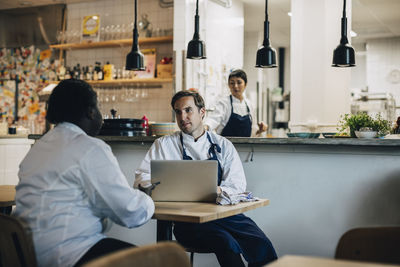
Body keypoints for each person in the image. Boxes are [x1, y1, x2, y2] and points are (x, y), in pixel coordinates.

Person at [14, 79, 154, 267]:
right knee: (161, 259)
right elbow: (129, 212)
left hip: (26, 254)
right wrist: (147, 198)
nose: (100, 115)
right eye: (98, 108)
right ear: (90, 111)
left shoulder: (38, 148)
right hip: (69, 254)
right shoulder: (90, 148)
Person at [135, 90, 277, 267]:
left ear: (202, 112)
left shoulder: (223, 145)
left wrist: (217, 190)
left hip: (227, 216)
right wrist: (155, 186)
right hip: (188, 222)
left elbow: (237, 184)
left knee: (262, 244)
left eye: (188, 110)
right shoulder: (164, 145)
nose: (182, 116)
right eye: (178, 112)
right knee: (226, 244)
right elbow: (142, 177)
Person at [204, 69, 267, 137]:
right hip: (226, 146)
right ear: (228, 85)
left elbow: (253, 132)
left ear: (245, 84)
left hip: (246, 147)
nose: (235, 86)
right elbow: (213, 120)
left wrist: (260, 130)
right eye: (232, 83)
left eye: (239, 82)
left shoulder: (249, 104)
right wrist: (205, 127)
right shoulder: (224, 103)